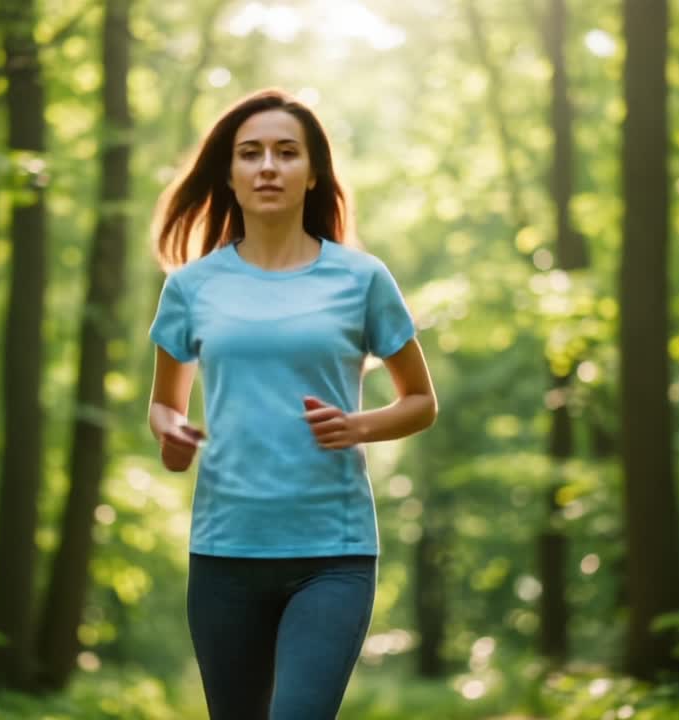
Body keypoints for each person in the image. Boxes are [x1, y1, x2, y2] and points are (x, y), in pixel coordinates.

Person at [146, 87, 438, 720]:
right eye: (250, 154)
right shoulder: (191, 288)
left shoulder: (361, 279)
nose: (268, 166)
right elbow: (165, 407)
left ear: (313, 174)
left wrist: (357, 425)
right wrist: (174, 435)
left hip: (334, 555)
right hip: (225, 553)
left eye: (286, 152)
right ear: (229, 174)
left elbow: (420, 401)